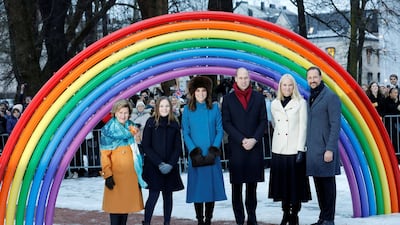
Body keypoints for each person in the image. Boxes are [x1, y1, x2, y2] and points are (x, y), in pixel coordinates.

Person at [221, 67, 267, 225]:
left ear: (250, 78)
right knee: (237, 187)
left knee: (252, 186)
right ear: (235, 79)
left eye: (246, 77)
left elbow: (263, 121)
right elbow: (226, 123)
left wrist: (254, 139)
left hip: (254, 147)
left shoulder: (259, 98)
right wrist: (241, 139)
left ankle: (252, 216)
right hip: (237, 148)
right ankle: (239, 219)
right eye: (240, 78)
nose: (243, 80)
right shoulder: (228, 99)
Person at [182, 76, 227, 225]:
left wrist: (214, 149)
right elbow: (186, 132)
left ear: (207, 92)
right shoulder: (187, 110)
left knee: (210, 189)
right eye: (198, 91)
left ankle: (208, 219)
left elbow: (219, 130)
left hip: (211, 154)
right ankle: (200, 219)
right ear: (193, 92)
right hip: (196, 155)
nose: (201, 93)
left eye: (203, 91)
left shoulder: (214, 108)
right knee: (198, 190)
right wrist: (193, 151)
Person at [268, 74, 311, 225]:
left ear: (294, 87)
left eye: (290, 85)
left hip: (294, 149)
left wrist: (301, 149)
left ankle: (295, 214)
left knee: (295, 185)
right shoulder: (274, 104)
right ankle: (285, 212)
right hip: (279, 149)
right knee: (282, 185)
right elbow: (275, 124)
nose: (287, 88)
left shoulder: (301, 103)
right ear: (280, 87)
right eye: (284, 85)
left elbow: (303, 127)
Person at [100, 99, 146, 225]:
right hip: (115, 175)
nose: (123, 115)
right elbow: (104, 155)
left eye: (126, 113)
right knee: (115, 210)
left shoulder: (131, 128)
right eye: (120, 112)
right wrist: (107, 174)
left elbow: (136, 150)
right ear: (115, 113)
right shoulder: (108, 131)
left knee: (125, 208)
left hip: (130, 175)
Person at [305, 67, 341, 225]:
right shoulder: (310, 96)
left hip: (326, 149)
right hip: (314, 150)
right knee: (319, 185)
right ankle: (322, 217)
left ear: (320, 78)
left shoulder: (330, 97)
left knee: (328, 186)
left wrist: (330, 149)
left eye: (315, 77)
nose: (312, 80)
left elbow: (335, 125)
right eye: (310, 78)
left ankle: (329, 219)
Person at [141, 96, 184, 225]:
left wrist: (170, 164)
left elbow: (177, 147)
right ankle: (147, 222)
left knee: (168, 197)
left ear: (170, 108)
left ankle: (167, 222)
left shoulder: (174, 123)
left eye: (166, 106)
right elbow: (146, 145)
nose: (164, 109)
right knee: (153, 196)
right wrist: (159, 163)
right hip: (154, 166)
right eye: (161, 106)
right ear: (157, 108)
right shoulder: (150, 122)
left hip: (170, 167)